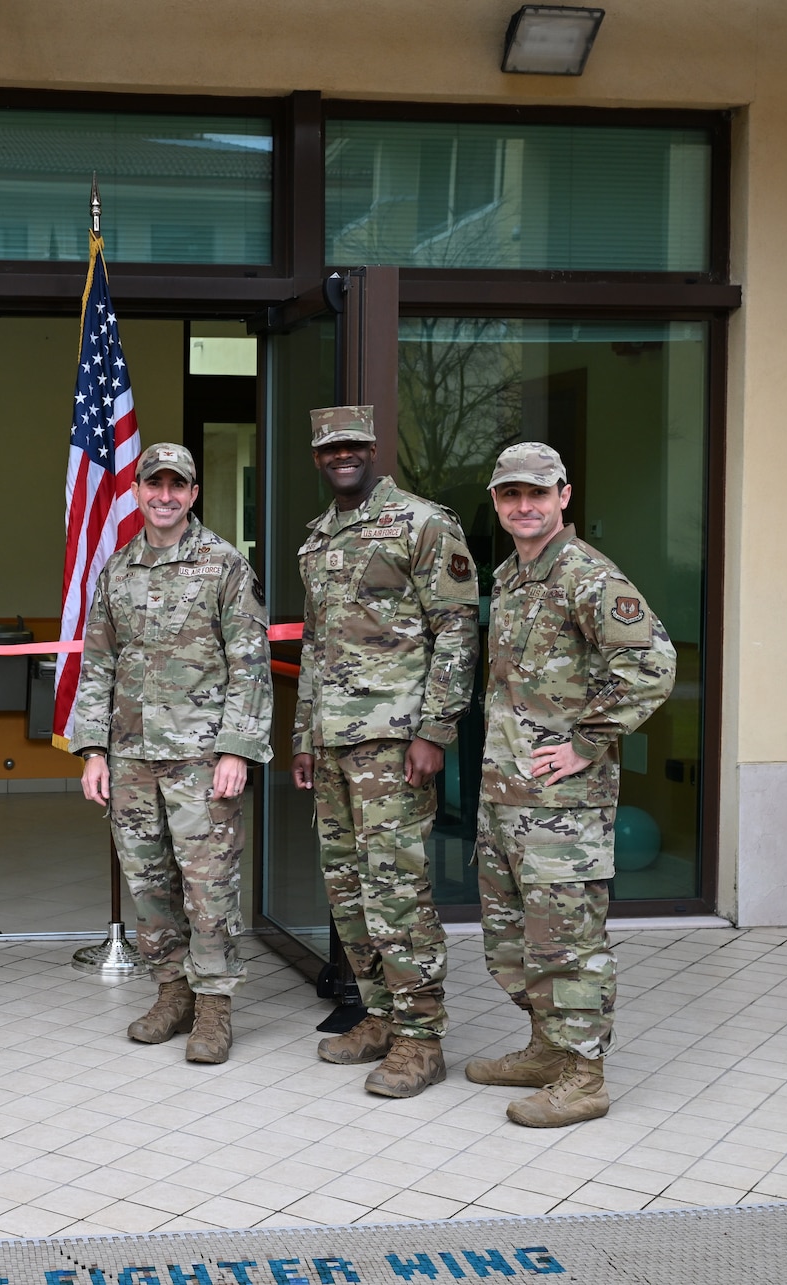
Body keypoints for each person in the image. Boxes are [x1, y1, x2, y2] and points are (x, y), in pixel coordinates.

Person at [466, 441, 675, 1127]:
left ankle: (584, 1077)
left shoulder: (585, 574)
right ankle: (547, 1049)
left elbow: (651, 663)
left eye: (537, 492)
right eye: (510, 494)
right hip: (507, 796)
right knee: (509, 941)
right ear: (497, 502)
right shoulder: (513, 576)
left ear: (564, 495)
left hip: (562, 808)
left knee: (566, 941)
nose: (523, 505)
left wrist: (588, 742)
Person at [291, 406, 480, 1098]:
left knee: (398, 889)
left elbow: (456, 632)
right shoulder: (316, 542)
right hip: (334, 743)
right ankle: (377, 1014)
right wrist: (302, 736)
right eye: (329, 447)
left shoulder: (424, 523)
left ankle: (421, 1037)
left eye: (352, 444)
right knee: (347, 887)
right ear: (318, 457)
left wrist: (436, 731)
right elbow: (314, 648)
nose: (342, 454)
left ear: (372, 448)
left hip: (395, 744)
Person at [69, 443, 272, 1065]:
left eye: (175, 485)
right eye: (153, 484)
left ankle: (214, 1008)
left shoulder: (224, 565)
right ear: (137, 491)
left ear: (192, 493)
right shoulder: (118, 569)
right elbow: (99, 660)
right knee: (149, 880)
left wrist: (237, 749)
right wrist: (93, 749)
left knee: (208, 884)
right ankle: (172, 991)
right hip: (130, 757)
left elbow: (250, 662)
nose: (164, 495)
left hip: (201, 759)